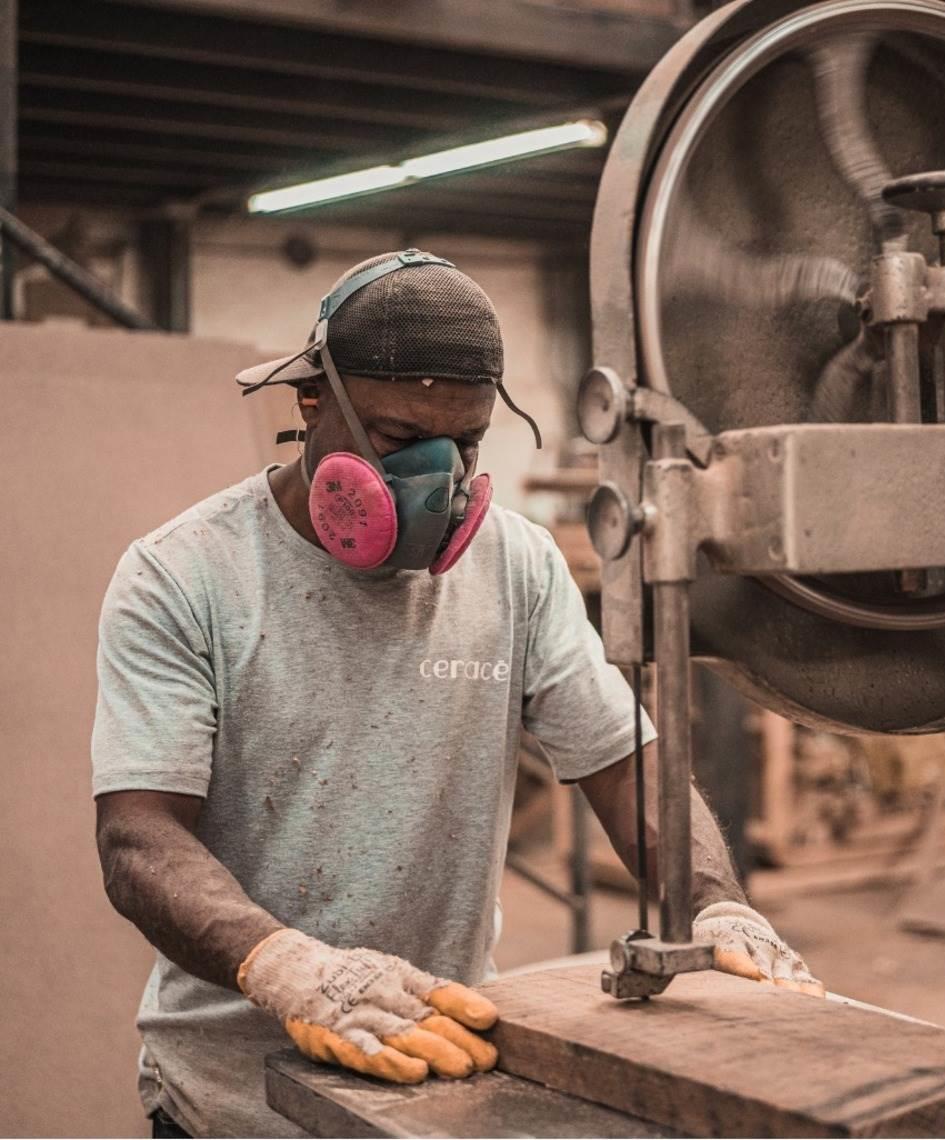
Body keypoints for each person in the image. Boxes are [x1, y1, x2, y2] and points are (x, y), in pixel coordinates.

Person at [92, 250, 824, 1139]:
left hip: (433, 1073)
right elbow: (139, 837)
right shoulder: (183, 575)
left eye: (466, 444)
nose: (437, 478)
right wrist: (287, 967)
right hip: (230, 1098)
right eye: (401, 442)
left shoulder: (513, 564)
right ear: (312, 400)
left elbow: (623, 762)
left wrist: (714, 902)